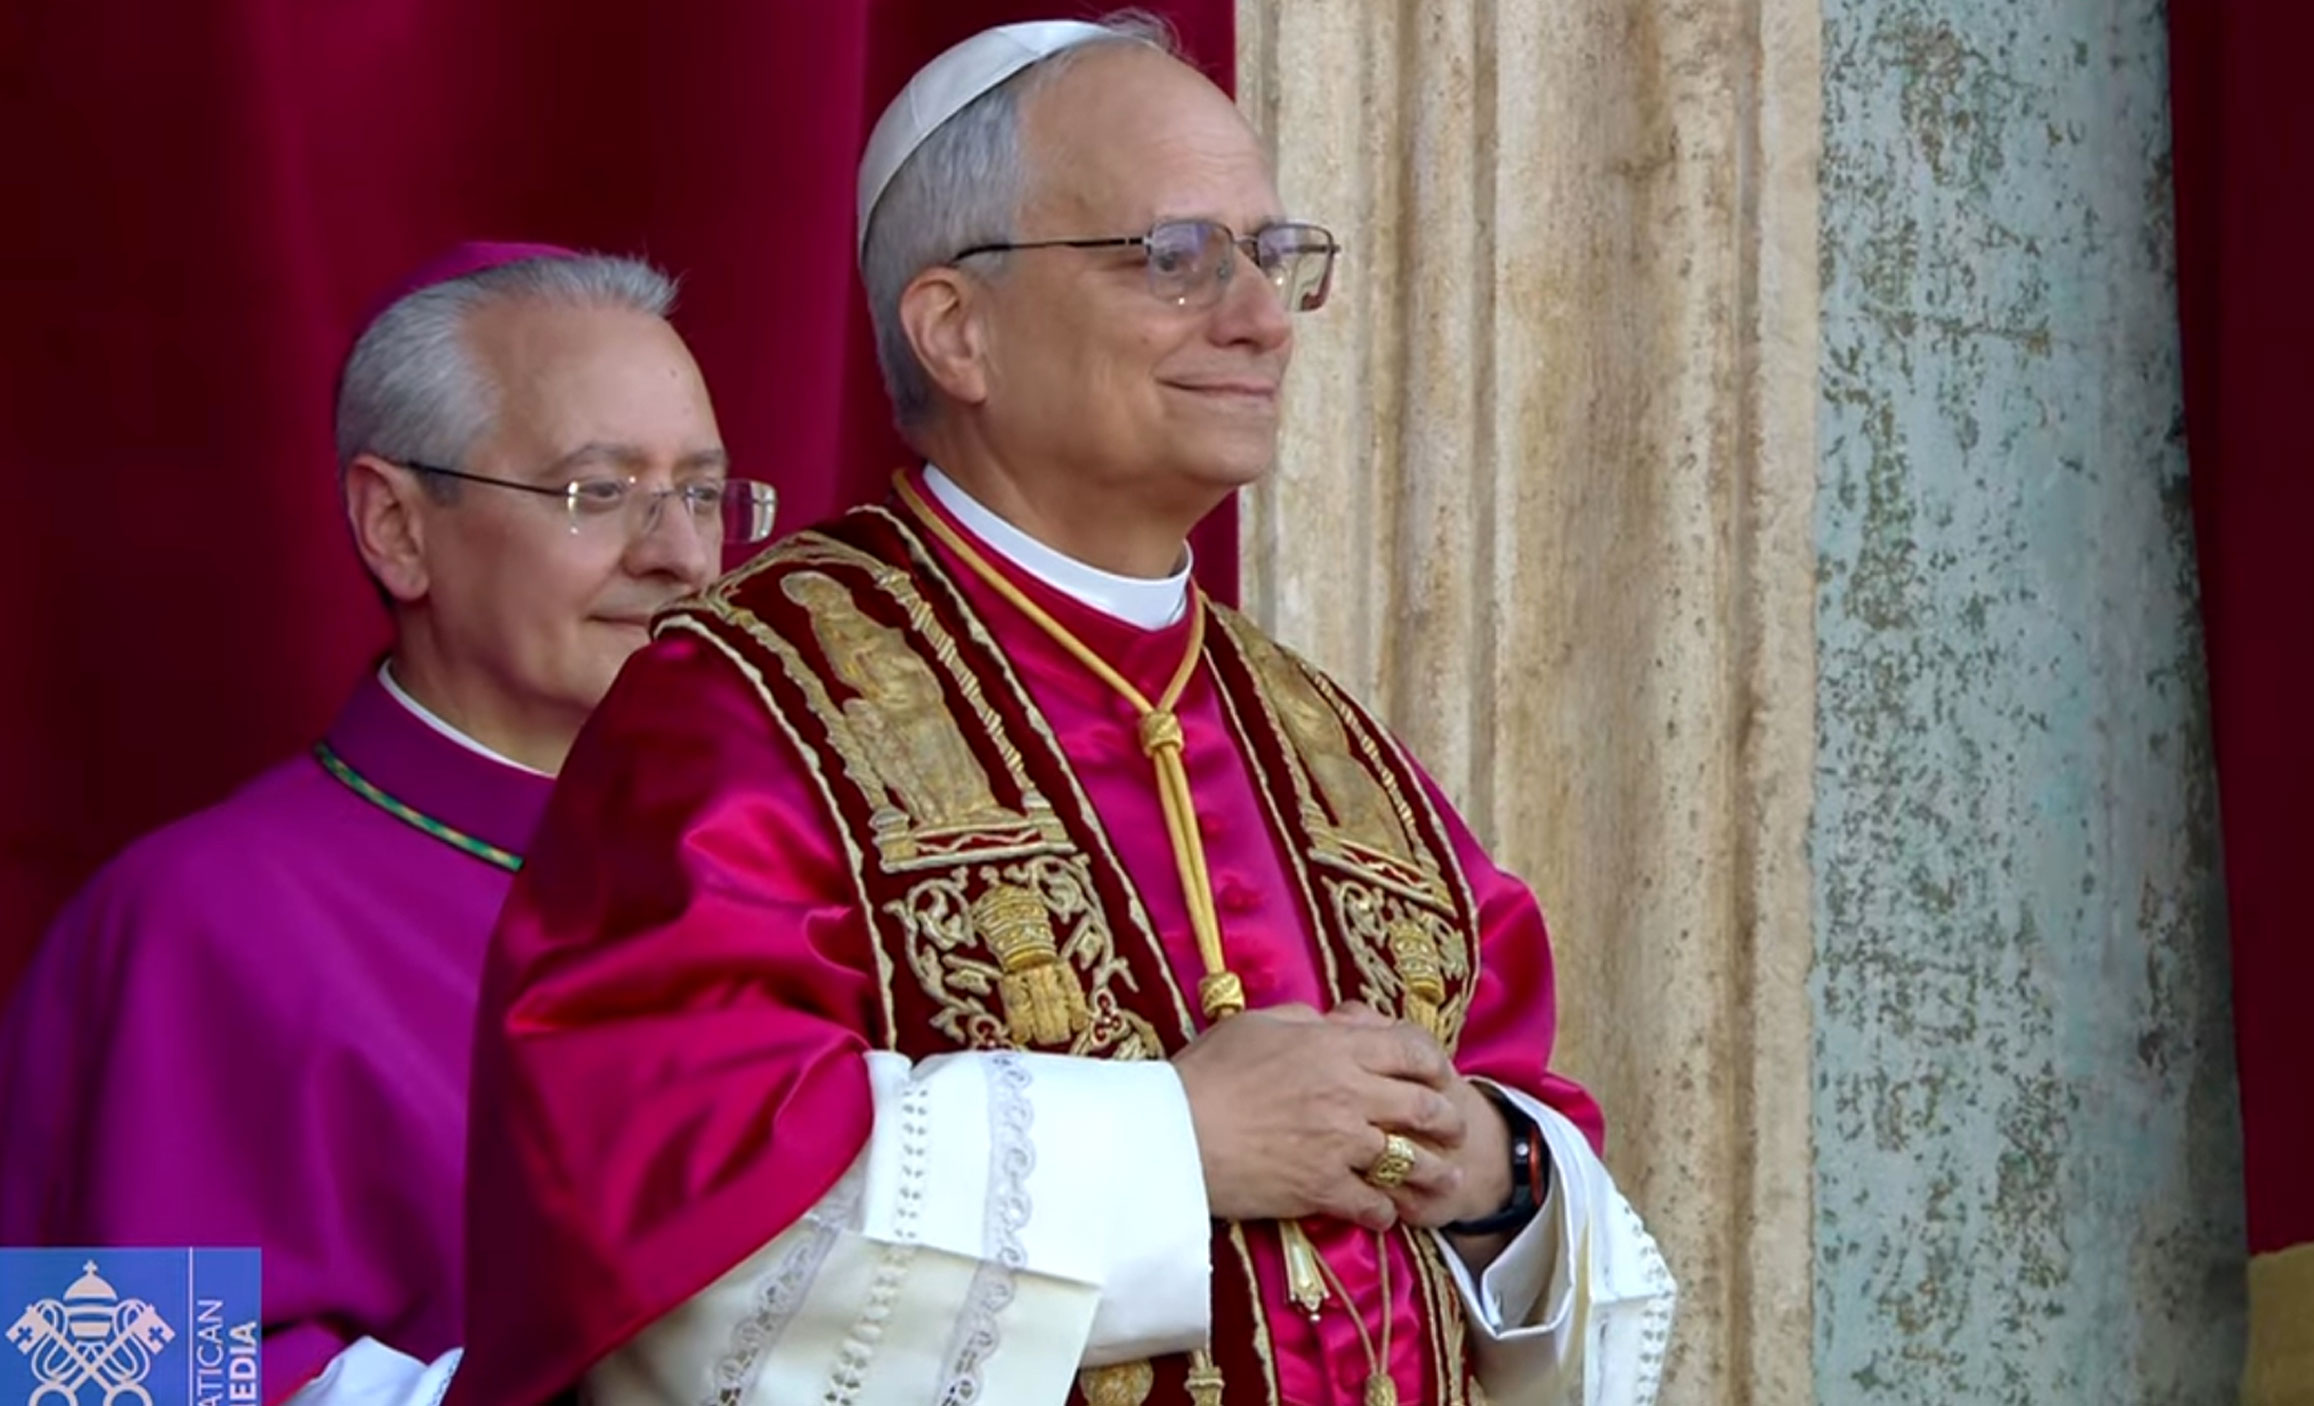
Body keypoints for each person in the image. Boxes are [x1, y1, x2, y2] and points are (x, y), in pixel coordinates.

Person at [450, 19, 1675, 1406]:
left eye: (1275, 256)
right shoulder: (745, 710)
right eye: (1176, 256)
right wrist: (1175, 1142)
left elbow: (1541, 1170)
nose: (1263, 316)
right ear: (957, 328)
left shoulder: (1336, 754)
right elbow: (659, 1243)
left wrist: (1492, 1170)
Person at [0, 242, 776, 1401]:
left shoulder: (775, 863)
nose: (677, 553)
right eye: (598, 492)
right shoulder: (198, 923)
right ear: (397, 527)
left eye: (703, 492)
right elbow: (122, 1373)